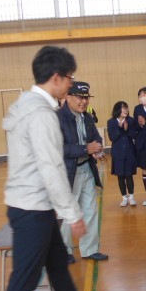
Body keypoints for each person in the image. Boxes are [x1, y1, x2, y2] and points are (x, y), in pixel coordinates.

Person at [1, 45, 110, 291]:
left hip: (33, 204)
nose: (72, 85)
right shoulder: (42, 115)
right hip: (32, 207)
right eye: (70, 78)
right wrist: (73, 214)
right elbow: (51, 168)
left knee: (58, 262)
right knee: (24, 278)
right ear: (57, 78)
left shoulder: (25, 104)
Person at [58, 81, 109, 263]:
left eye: (87, 98)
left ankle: (90, 249)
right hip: (67, 173)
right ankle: (64, 251)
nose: (84, 101)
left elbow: (96, 137)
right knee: (66, 214)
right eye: (80, 97)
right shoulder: (57, 118)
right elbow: (57, 147)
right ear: (68, 97)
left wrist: (98, 148)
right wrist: (85, 149)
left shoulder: (86, 117)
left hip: (86, 169)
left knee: (90, 210)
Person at [107, 101, 137, 207]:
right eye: (123, 108)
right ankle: (124, 197)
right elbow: (112, 138)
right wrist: (120, 128)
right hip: (117, 153)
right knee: (120, 176)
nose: (126, 110)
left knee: (129, 176)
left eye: (126, 108)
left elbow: (134, 135)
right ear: (117, 110)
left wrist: (127, 129)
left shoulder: (131, 120)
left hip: (129, 152)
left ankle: (131, 197)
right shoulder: (111, 122)